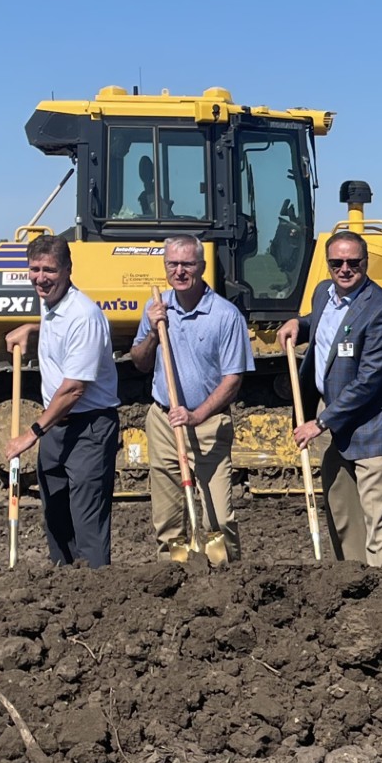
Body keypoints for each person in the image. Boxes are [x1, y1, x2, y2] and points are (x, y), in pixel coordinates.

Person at [280, 229, 382, 566]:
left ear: (365, 263)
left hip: (372, 428)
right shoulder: (324, 293)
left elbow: (369, 382)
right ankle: (352, 576)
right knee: (341, 508)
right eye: (337, 262)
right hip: (338, 426)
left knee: (378, 519)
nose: (345, 268)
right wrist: (300, 323)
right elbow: (324, 324)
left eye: (353, 262)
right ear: (328, 265)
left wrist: (320, 423)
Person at [128, 235, 253, 560]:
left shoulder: (225, 316)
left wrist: (197, 416)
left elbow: (232, 380)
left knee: (218, 519)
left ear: (202, 267)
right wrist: (155, 332)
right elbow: (140, 362)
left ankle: (226, 582)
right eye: (173, 264)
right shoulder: (156, 307)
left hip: (208, 422)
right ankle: (177, 580)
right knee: (169, 521)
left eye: (188, 264)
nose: (180, 271)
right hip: (164, 420)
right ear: (165, 266)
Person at [3, 235, 122, 568]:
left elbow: (73, 390)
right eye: (35, 269)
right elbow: (60, 327)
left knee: (87, 520)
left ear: (68, 270)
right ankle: (65, 585)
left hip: (88, 427)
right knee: (55, 515)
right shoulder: (52, 305)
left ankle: (96, 590)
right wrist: (32, 327)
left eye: (50, 270)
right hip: (57, 426)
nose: (41, 278)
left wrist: (31, 434)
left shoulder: (85, 316)